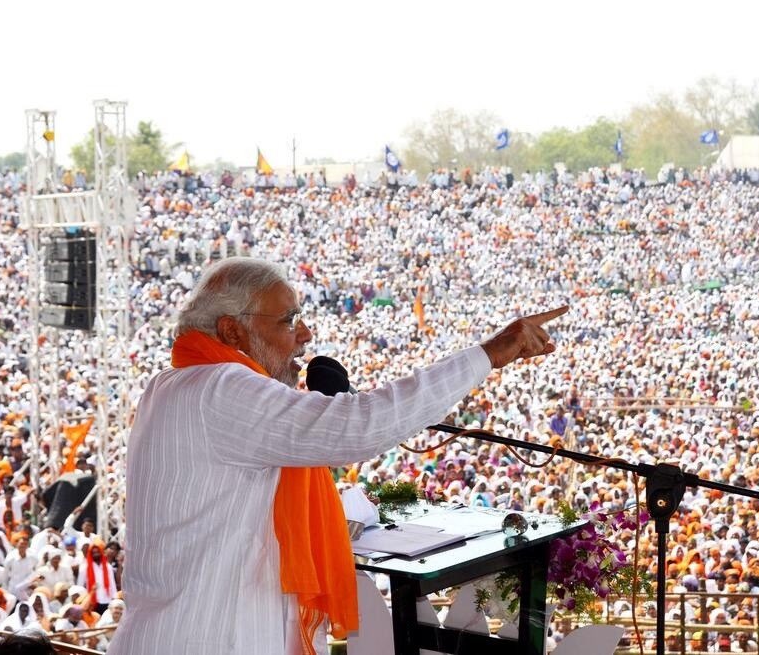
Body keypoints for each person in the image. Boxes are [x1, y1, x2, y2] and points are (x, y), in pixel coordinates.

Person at [109, 257, 566, 654]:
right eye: (288, 320)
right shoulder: (219, 389)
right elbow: (359, 425)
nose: (305, 334)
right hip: (207, 639)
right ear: (233, 331)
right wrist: (487, 355)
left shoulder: (176, 386)